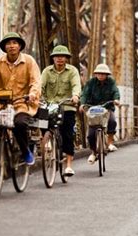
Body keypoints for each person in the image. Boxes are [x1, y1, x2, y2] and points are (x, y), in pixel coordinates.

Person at [0, 32, 41, 169]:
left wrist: (33, 94)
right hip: (2, 104)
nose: (11, 46)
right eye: (8, 43)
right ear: (4, 47)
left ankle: (25, 150)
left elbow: (36, 81)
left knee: (19, 124)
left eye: (15, 43)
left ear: (20, 46)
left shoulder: (29, 61)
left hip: (22, 103)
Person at [40, 45, 81, 176]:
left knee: (67, 133)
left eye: (63, 56)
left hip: (66, 106)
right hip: (49, 105)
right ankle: (47, 142)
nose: (60, 59)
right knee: (41, 120)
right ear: (53, 58)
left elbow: (76, 85)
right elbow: (40, 85)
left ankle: (68, 165)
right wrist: (36, 95)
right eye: (57, 56)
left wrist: (75, 96)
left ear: (66, 58)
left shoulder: (72, 71)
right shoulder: (47, 71)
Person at [79, 64, 120, 164]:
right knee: (91, 134)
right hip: (93, 109)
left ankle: (110, 143)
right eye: (99, 73)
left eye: (103, 74)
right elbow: (85, 94)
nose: (101, 75)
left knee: (112, 121)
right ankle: (93, 152)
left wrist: (116, 99)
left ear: (107, 75)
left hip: (107, 108)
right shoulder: (90, 83)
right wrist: (82, 103)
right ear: (95, 74)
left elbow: (115, 91)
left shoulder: (111, 82)